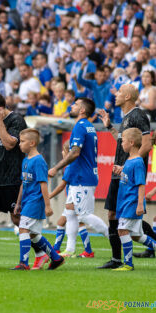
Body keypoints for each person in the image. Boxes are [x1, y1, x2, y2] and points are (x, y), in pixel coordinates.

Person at [0, 92, 48, 270]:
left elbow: (10, 144)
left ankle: (42, 253)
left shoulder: (16, 120)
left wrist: (0, 122)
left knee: (19, 220)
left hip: (14, 178)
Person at [97, 84, 153, 268]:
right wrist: (109, 127)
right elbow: (123, 143)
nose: (115, 95)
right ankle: (117, 259)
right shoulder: (125, 117)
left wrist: (129, 166)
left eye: (119, 92)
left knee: (120, 216)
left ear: (128, 96)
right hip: (120, 172)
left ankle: (118, 260)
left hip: (128, 173)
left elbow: (146, 144)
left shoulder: (138, 115)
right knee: (117, 215)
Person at [49, 98, 109, 257]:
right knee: (70, 212)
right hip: (80, 176)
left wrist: (55, 167)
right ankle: (69, 249)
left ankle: (114, 237)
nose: (71, 106)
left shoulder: (81, 127)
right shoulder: (88, 127)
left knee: (83, 215)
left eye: (75, 104)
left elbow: (74, 152)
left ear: (82, 110)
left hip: (83, 178)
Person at [11, 128, 65, 270]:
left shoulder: (39, 161)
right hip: (27, 201)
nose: (19, 144)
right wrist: (18, 203)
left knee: (23, 228)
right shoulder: (25, 161)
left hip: (35, 201)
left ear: (32, 143)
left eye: (22, 141)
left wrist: (48, 205)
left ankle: (23, 263)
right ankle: (56, 258)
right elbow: (24, 183)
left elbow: (43, 183)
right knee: (34, 234)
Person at [113, 128, 156, 271]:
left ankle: (128, 264)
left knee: (122, 230)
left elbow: (141, 184)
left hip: (131, 203)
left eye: (123, 141)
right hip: (126, 202)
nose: (121, 144)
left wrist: (139, 205)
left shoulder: (137, 162)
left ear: (131, 143)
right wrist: (121, 169)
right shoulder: (130, 161)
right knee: (137, 235)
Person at [49, 140, 93, 256]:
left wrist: (48, 196)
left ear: (67, 153)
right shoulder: (75, 165)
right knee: (62, 222)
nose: (62, 153)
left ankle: (86, 250)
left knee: (80, 223)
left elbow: (61, 186)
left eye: (63, 151)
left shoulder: (70, 167)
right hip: (74, 198)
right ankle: (57, 248)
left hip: (75, 200)